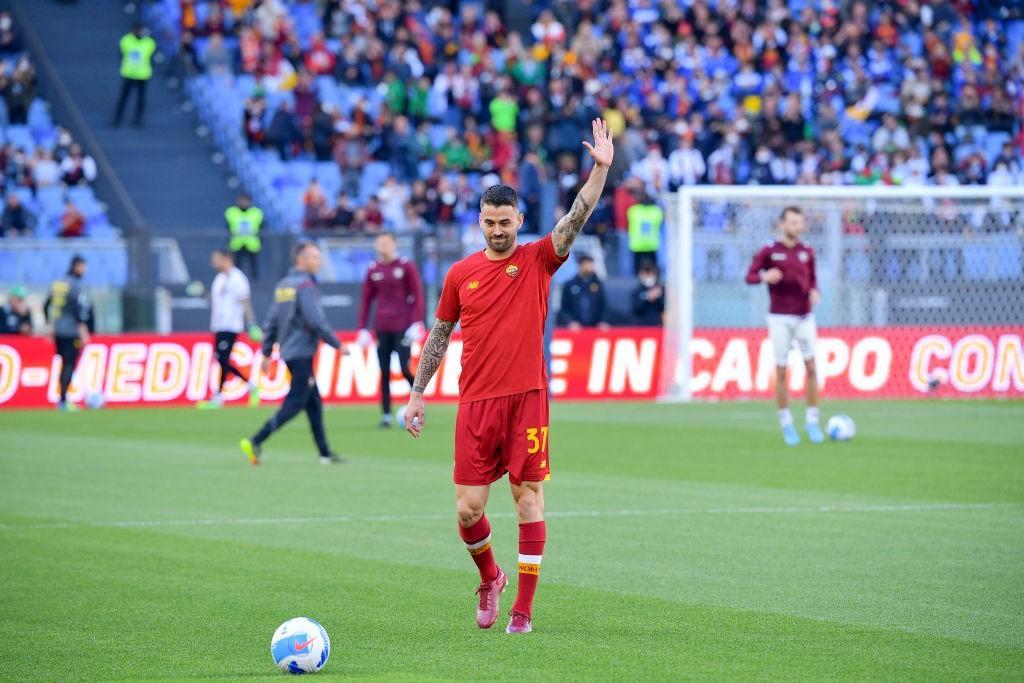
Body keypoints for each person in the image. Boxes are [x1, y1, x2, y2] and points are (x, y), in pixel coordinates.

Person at [403, 118, 614, 635]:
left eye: (506, 222)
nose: (498, 230)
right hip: (475, 403)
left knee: (528, 498)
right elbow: (438, 335)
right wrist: (416, 393)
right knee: (468, 509)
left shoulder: (540, 259)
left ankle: (522, 609)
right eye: (489, 222)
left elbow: (576, 216)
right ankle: (490, 576)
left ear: (520, 220)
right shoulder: (459, 274)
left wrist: (599, 172)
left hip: (527, 398)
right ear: (480, 222)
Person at [240, 242, 345, 465]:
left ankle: (325, 453)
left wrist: (267, 353)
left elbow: (271, 322)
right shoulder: (306, 285)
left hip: (288, 351)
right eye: (315, 257)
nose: (319, 261)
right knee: (297, 401)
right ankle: (256, 440)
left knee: (313, 402)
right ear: (301, 260)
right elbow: (316, 320)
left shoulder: (283, 286)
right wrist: (336, 344)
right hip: (302, 352)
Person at [744, 206, 824, 446]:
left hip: (804, 316)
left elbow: (813, 280)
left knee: (811, 367)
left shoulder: (807, 251)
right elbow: (750, 276)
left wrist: (814, 292)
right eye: (793, 222)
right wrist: (763, 277)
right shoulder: (770, 251)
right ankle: (786, 422)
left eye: (800, 222)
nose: (797, 227)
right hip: (779, 317)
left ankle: (812, 421)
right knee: (781, 370)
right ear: (782, 224)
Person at [356, 232, 424, 427]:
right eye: (379, 243)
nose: (382, 247)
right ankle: (385, 414)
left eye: (386, 243)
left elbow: (418, 294)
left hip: (402, 326)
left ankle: (418, 400)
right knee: (384, 370)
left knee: (404, 367)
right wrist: (362, 328)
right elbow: (366, 300)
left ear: (394, 244)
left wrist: (417, 322)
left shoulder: (405, 265)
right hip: (382, 327)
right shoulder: (373, 269)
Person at [198, 249, 261, 409]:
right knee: (222, 360)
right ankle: (250, 387)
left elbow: (245, 302)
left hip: (231, 326)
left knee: (223, 359)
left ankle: (219, 397)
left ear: (226, 259)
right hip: (218, 326)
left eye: (216, 259)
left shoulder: (238, 278)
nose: (213, 263)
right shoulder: (219, 279)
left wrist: (252, 323)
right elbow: (213, 300)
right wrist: (200, 293)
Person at [45, 255, 91, 411]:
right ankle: (63, 400)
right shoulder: (75, 285)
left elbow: (46, 305)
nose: (84, 270)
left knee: (65, 364)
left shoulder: (58, 284)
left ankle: (62, 399)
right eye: (83, 267)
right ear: (76, 266)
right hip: (71, 331)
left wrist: (49, 324)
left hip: (58, 330)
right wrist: (82, 328)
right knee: (69, 364)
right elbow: (75, 308)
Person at [112, 23, 156, 127]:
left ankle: (138, 119)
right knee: (123, 98)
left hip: (143, 75)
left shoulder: (149, 43)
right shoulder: (126, 40)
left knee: (140, 99)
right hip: (129, 73)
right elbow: (122, 54)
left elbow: (151, 58)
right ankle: (117, 119)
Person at [558, 254, 606, 329]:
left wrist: (602, 321)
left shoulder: (598, 284)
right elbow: (564, 308)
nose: (590, 268)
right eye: (587, 265)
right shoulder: (570, 285)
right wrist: (570, 322)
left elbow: (603, 305)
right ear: (581, 265)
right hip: (575, 328)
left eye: (591, 265)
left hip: (595, 328)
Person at [225, 193, 263, 280]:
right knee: (237, 266)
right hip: (236, 243)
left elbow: (261, 227)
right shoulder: (231, 212)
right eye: (242, 200)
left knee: (254, 266)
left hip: (252, 243)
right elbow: (227, 227)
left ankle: (256, 283)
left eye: (246, 201)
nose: (244, 203)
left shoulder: (256, 212)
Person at [632, 261, 665, 326]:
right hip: (641, 325)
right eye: (644, 273)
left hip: (658, 325)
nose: (647, 276)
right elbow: (635, 309)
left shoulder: (661, 289)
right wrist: (647, 297)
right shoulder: (637, 290)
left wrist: (658, 297)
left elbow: (664, 308)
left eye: (649, 273)